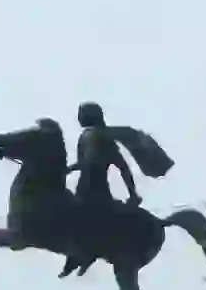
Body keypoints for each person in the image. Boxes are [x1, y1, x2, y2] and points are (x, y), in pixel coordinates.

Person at [59, 102, 143, 277]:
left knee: (68, 218)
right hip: (98, 190)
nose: (78, 118)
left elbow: (89, 162)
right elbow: (123, 167)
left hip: (89, 190)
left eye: (81, 114)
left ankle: (83, 254)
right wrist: (132, 193)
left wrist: (68, 169)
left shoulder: (90, 136)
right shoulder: (105, 136)